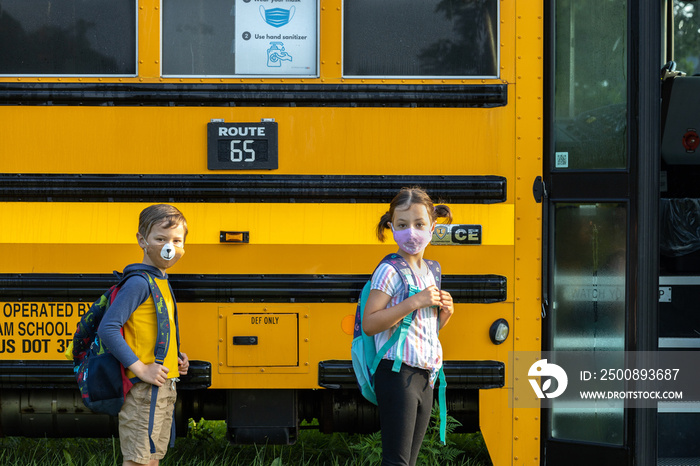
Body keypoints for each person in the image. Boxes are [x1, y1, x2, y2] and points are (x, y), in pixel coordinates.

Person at [362, 187, 455, 466]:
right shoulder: (389, 270)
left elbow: (423, 329)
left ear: (432, 227)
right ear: (391, 228)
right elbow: (370, 323)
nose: (411, 232)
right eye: (402, 225)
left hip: (426, 376)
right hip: (396, 373)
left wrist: (445, 314)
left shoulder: (431, 270)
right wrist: (414, 301)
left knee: (408, 462)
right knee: (397, 461)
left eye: (418, 224)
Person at [97, 204, 190, 466]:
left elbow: (153, 327)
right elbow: (108, 328)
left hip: (163, 385)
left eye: (176, 240)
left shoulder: (160, 280)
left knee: (151, 457)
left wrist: (177, 356)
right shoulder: (139, 282)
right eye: (160, 239)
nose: (168, 246)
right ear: (142, 240)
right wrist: (140, 368)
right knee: (138, 460)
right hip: (144, 389)